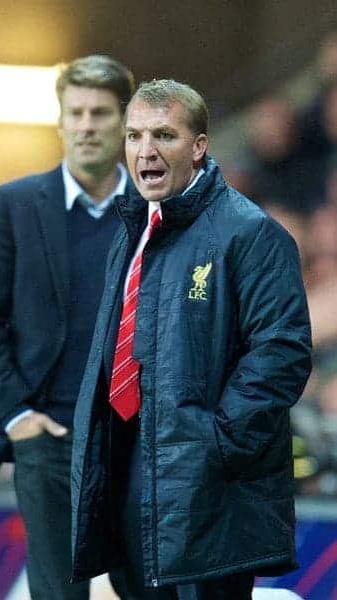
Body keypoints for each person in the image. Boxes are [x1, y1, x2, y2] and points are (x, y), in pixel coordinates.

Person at [70, 80, 312, 600]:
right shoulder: (132, 230)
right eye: (134, 136)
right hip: (130, 465)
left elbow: (282, 353)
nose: (145, 150)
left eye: (163, 135)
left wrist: (215, 445)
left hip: (209, 486)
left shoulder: (251, 233)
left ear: (199, 146)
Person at [0, 55, 135, 600]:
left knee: (147, 590)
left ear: (125, 120)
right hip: (47, 435)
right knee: (60, 594)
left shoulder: (158, 208)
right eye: (75, 112)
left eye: (101, 113)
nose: (86, 125)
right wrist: (17, 415)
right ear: (59, 120)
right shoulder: (9, 207)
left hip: (135, 436)